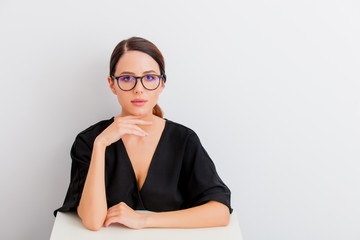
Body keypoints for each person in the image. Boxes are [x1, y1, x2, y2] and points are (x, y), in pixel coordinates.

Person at [54, 37, 232, 231]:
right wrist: (101, 144)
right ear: (112, 84)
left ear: (162, 83)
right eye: (127, 78)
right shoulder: (89, 141)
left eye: (149, 78)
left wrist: (142, 220)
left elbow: (219, 212)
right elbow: (93, 221)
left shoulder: (184, 140)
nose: (139, 89)